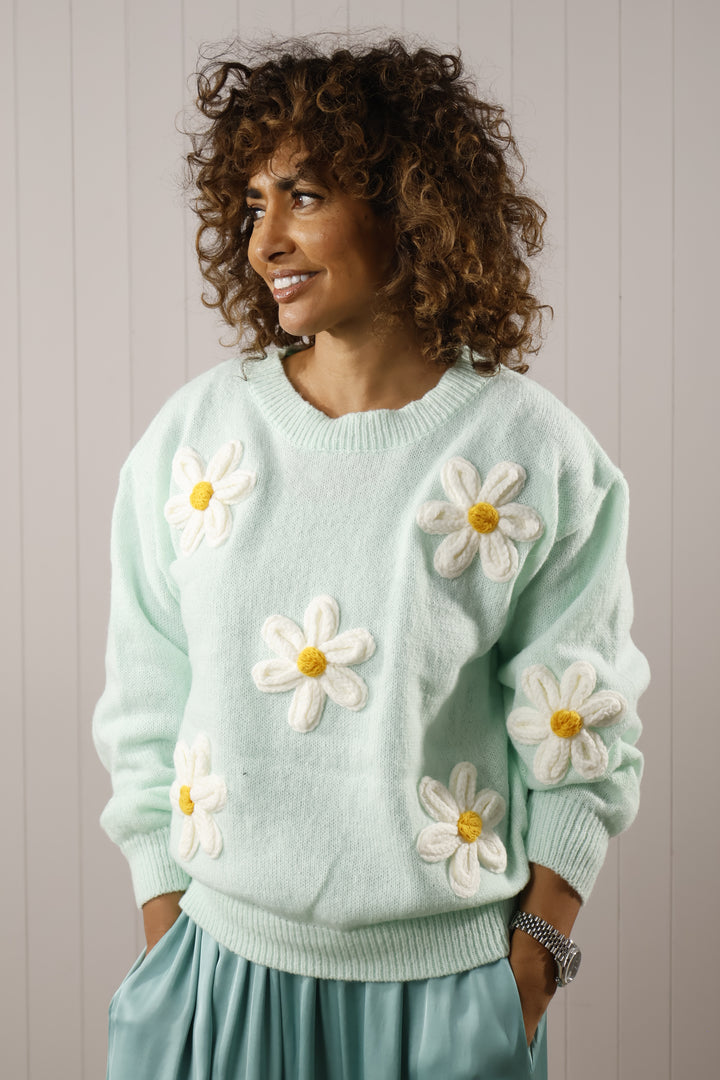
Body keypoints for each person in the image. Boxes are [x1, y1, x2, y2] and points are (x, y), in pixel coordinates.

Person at [93, 36, 649, 1080]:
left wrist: (531, 966)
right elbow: (144, 706)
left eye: (303, 195)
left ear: (411, 206)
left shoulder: (531, 453)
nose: (265, 241)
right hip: (218, 979)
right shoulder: (193, 445)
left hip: (447, 997)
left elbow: (584, 731)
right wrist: (168, 937)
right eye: (252, 204)